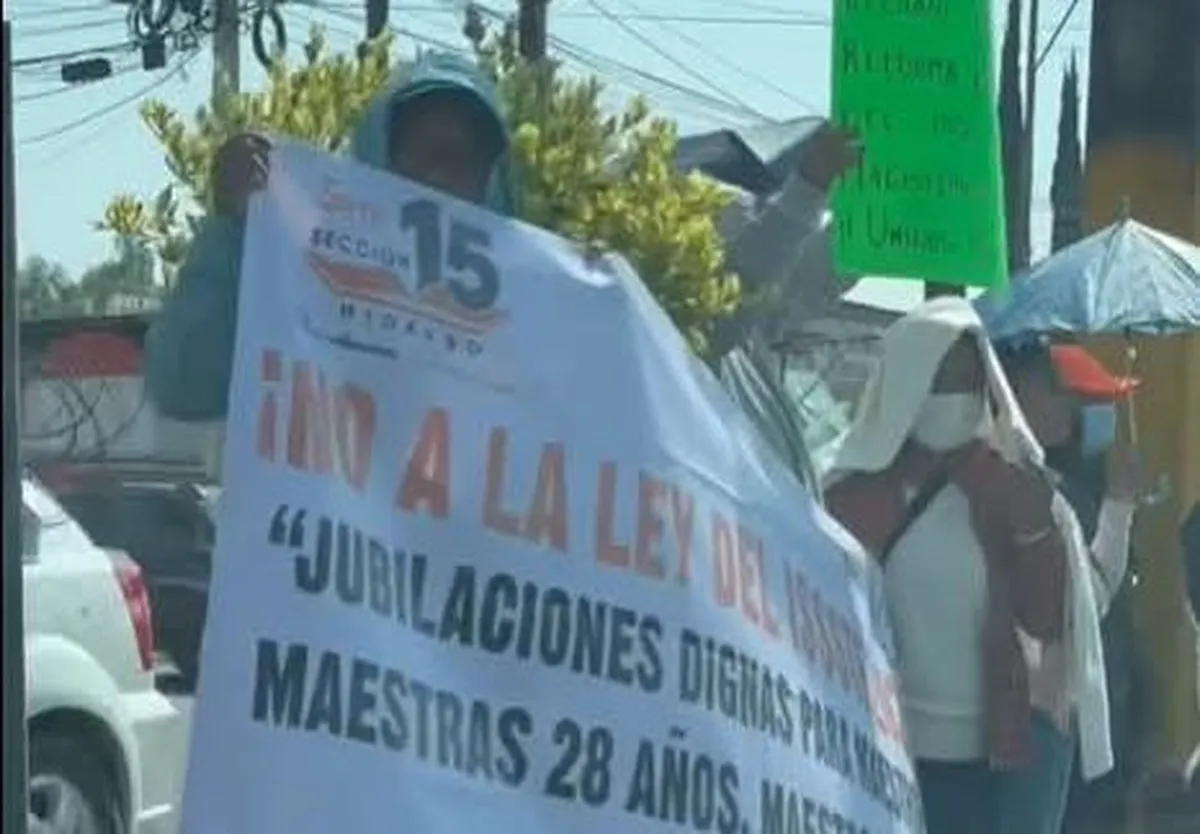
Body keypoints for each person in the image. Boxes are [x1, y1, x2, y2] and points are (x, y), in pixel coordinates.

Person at [145, 50, 518, 423]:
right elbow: (182, 386)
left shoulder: (527, 321)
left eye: (459, 159)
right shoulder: (299, 281)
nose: (437, 178)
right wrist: (233, 234)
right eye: (422, 155)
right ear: (376, 162)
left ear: (493, 183)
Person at [823, 297, 1074, 834]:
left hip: (984, 767)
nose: (957, 397)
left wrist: (1034, 532)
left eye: (969, 381)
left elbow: (1045, 619)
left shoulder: (1009, 488)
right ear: (908, 383)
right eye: (941, 380)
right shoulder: (851, 498)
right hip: (880, 756)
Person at [996, 342, 1141, 834]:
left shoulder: (1055, 495)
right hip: (1019, 723)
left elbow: (1089, 596)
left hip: (1055, 725)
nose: (1072, 406)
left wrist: (1120, 504)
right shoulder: (1006, 487)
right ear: (1016, 392)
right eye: (1056, 390)